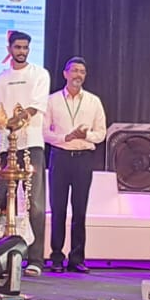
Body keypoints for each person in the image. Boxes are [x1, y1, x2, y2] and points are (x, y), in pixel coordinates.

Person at [0, 31, 51, 277]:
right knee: (3, 200)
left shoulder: (39, 74)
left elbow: (34, 108)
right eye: (18, 47)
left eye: (25, 47)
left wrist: (15, 121)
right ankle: (3, 256)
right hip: (6, 146)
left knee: (35, 203)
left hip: (31, 144)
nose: (22, 51)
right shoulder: (1, 78)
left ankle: (35, 260)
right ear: (9, 49)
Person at [42, 57, 107, 274]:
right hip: (60, 157)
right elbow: (44, 132)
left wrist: (85, 135)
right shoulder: (52, 101)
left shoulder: (93, 101)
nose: (78, 75)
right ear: (65, 74)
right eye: (74, 70)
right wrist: (66, 137)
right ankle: (56, 257)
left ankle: (77, 258)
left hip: (83, 159)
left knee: (80, 210)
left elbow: (101, 133)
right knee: (58, 209)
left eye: (82, 71)